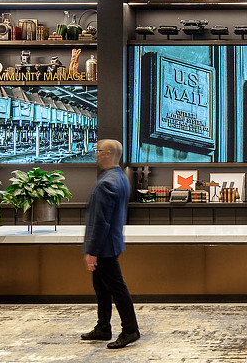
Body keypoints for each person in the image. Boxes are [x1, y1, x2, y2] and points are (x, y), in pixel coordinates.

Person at [80, 139, 140, 349]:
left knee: (117, 288)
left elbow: (100, 222)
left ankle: (130, 330)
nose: (95, 154)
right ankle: (103, 327)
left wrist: (92, 251)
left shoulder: (106, 183)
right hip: (111, 242)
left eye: (98, 151)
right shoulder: (120, 177)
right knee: (102, 287)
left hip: (104, 247)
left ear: (106, 154)